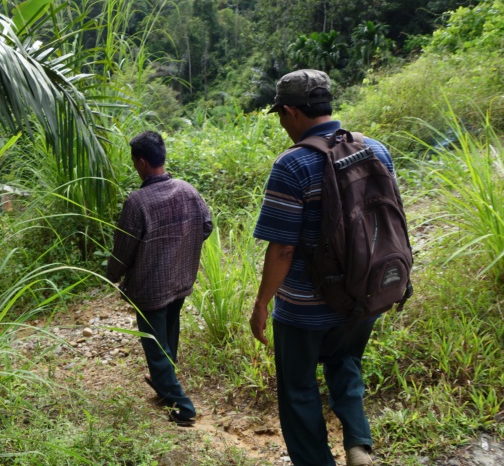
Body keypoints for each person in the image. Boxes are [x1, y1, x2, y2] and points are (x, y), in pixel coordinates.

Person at [249, 69, 396, 466]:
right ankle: (358, 445)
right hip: (363, 293)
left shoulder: (292, 164)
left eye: (281, 114)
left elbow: (282, 249)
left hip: (302, 308)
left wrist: (262, 302)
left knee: (298, 391)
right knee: (345, 363)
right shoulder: (376, 149)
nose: (282, 123)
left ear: (293, 112)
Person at [106, 130, 213, 427]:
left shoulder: (138, 202)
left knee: (156, 347)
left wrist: (111, 275)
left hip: (151, 288)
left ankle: (184, 406)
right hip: (180, 281)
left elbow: (123, 249)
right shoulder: (188, 190)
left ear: (141, 162)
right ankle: (165, 385)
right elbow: (206, 226)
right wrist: (180, 246)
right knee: (169, 335)